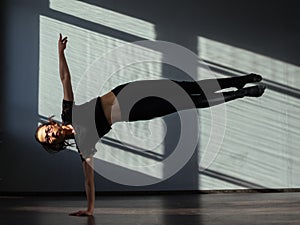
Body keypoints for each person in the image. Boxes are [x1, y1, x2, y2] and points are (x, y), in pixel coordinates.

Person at [35, 34, 266, 216]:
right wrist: (90, 209)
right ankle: (243, 93)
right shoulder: (84, 145)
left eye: (46, 130)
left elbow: (65, 78)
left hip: (130, 90)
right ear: (54, 144)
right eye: (48, 139)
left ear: (50, 123)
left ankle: (241, 80)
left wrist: (60, 52)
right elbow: (88, 180)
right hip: (135, 111)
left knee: (189, 87)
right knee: (189, 102)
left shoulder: (68, 112)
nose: (50, 134)